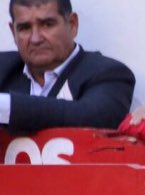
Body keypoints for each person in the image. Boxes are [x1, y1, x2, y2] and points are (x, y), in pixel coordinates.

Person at [1, 0, 133, 132]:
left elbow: (94, 117)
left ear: (72, 24)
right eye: (25, 28)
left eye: (47, 25)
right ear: (13, 32)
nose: (36, 39)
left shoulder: (108, 73)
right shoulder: (4, 67)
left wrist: (6, 106)